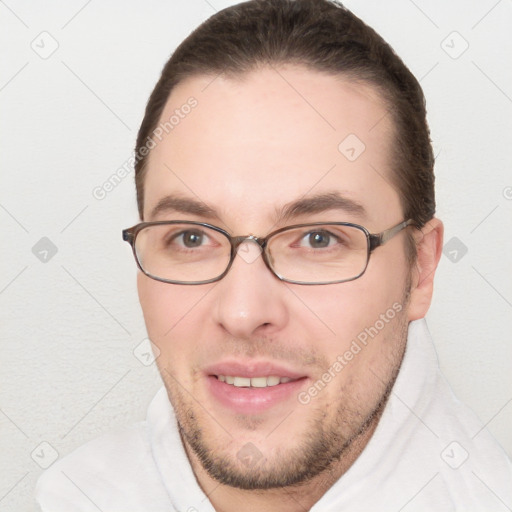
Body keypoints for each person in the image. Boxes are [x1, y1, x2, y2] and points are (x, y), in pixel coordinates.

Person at [35, 0, 512, 510]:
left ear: (419, 270)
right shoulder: (70, 495)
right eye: (192, 237)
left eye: (318, 238)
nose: (243, 313)